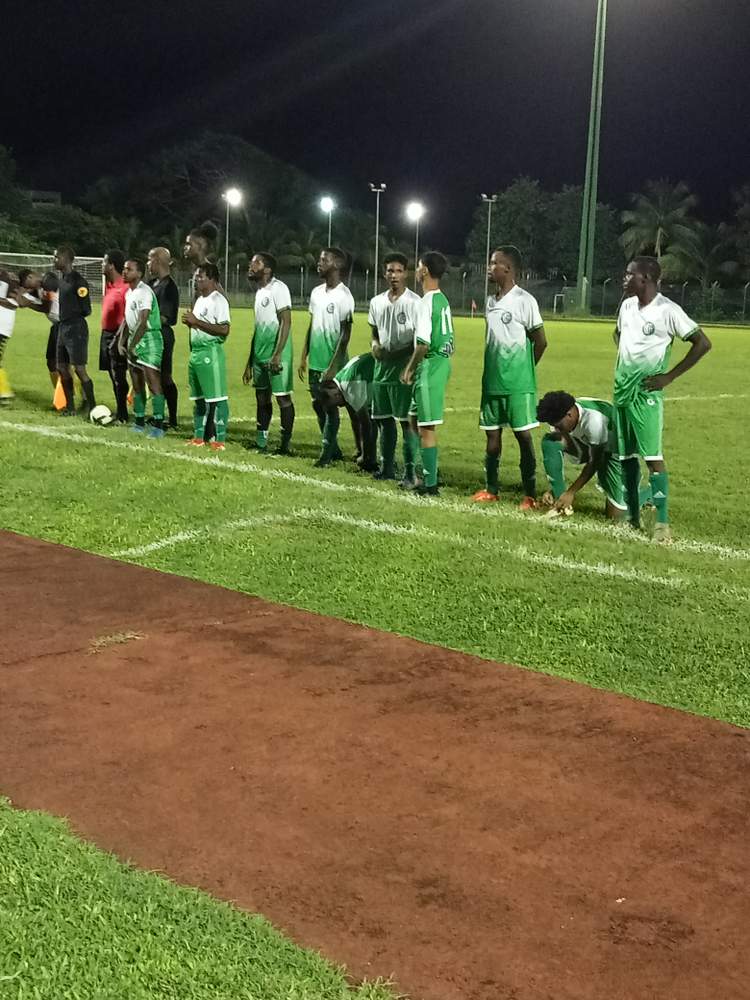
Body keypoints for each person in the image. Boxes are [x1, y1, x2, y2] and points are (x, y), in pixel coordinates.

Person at [614, 256, 711, 542]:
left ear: (644, 278)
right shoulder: (627, 306)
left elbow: (702, 343)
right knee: (626, 458)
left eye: (629, 274)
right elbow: (618, 335)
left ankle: (662, 525)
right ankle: (632, 517)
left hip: (646, 396)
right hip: (622, 391)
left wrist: (668, 376)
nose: (624, 278)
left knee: (653, 458)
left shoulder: (668, 311)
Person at [472, 245, 546, 509]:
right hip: (491, 381)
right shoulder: (491, 301)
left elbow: (541, 342)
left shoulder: (525, 301)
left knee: (524, 438)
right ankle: (491, 488)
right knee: (492, 437)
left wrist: (525, 370)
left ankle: (530, 494)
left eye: (494, 263)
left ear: (509, 268)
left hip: (518, 384)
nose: (490, 268)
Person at [400, 251, 454, 497]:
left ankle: (431, 485)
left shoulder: (426, 302)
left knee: (427, 427)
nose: (416, 270)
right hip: (438, 363)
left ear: (425, 271)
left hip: (430, 365)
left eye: (419, 266)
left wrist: (409, 368)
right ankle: (419, 471)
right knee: (414, 419)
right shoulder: (442, 299)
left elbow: (422, 343)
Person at [368, 252, 422, 486]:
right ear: (384, 273)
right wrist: (375, 346)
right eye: (390, 270)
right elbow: (374, 332)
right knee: (383, 420)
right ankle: (386, 466)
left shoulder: (414, 303)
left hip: (403, 370)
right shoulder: (376, 302)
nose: (394, 275)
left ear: (406, 274)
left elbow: (419, 341)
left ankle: (410, 472)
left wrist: (395, 355)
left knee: (406, 422)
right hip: (381, 370)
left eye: (399, 270)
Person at [298, 247, 355, 466]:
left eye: (324, 259)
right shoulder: (316, 293)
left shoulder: (344, 296)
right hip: (316, 361)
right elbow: (313, 325)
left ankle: (326, 453)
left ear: (337, 265)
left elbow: (345, 335)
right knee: (317, 404)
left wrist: (333, 367)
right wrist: (304, 355)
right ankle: (334, 449)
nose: (319, 262)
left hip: (334, 364)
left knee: (330, 407)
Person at [536, 391, 632, 519]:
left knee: (616, 517)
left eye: (558, 426)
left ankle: (645, 495)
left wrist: (571, 492)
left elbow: (595, 461)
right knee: (551, 441)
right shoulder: (563, 413)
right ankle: (559, 501)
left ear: (569, 415)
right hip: (591, 444)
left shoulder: (594, 420)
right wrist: (556, 490)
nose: (556, 429)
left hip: (618, 452)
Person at [243, 252, 295, 454]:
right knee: (261, 397)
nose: (251, 265)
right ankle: (261, 442)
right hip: (259, 355)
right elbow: (257, 328)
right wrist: (249, 361)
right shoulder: (259, 292)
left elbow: (286, 321)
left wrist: (277, 354)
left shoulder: (279, 288)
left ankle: (285, 445)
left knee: (282, 398)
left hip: (277, 354)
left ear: (268, 269)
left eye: (256, 262)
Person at [182, 262, 230, 451]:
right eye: (196, 276)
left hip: (211, 352)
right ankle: (198, 437)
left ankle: (220, 440)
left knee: (218, 399)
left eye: (200, 277)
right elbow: (200, 324)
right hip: (196, 354)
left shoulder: (219, 300)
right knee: (199, 399)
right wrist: (191, 324)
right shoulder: (200, 299)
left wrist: (197, 322)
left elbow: (225, 329)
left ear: (212, 279)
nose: (196, 280)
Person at [117, 258, 165, 437]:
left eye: (128, 269)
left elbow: (143, 322)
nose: (124, 272)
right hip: (134, 340)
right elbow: (127, 321)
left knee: (153, 383)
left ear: (139, 273)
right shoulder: (129, 293)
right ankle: (139, 422)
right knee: (136, 383)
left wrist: (132, 345)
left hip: (150, 339)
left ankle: (159, 425)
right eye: (124, 269)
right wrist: (122, 341)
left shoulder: (144, 292)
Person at [311, 353, 377, 471]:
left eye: (333, 401)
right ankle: (373, 459)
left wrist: (364, 456)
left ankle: (372, 461)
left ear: (333, 390)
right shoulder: (340, 378)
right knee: (376, 417)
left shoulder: (350, 387)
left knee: (384, 421)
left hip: (391, 370)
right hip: (383, 368)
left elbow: (366, 425)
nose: (338, 406)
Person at [54, 245, 97, 416]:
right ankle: (70, 407)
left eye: (57, 257)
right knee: (61, 367)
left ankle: (92, 405)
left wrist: (72, 315)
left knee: (79, 369)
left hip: (76, 328)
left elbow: (87, 309)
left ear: (66, 258)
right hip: (62, 327)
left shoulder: (78, 281)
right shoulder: (62, 279)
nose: (54, 260)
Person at [147, 247, 180, 429]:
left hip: (162, 335)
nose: (147, 264)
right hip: (149, 335)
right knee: (152, 377)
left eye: (149, 259)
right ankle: (158, 414)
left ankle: (172, 418)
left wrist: (144, 323)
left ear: (158, 261)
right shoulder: (152, 284)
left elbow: (165, 317)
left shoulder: (169, 287)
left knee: (165, 377)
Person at [15, 269, 62, 392]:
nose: (27, 287)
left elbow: (47, 308)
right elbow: (21, 302)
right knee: (51, 362)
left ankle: (74, 396)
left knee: (64, 364)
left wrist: (29, 304)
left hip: (65, 325)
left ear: (30, 277)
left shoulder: (48, 281)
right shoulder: (40, 287)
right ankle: (62, 397)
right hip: (56, 325)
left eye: (26, 284)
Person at [99, 250, 129, 423]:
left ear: (111, 265)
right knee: (112, 375)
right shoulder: (109, 285)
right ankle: (121, 409)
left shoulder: (124, 287)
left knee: (119, 375)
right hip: (106, 334)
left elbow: (127, 316)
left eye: (104, 262)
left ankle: (123, 413)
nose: (102, 265)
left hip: (118, 336)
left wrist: (120, 338)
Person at [183, 221, 219, 300]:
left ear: (201, 246)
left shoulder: (207, 273)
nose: (185, 247)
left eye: (189, 244)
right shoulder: (199, 270)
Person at [0, 268, 19, 404]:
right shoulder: (8, 275)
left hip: (2, 322)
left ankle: (4, 392)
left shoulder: (6, 277)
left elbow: (13, 302)